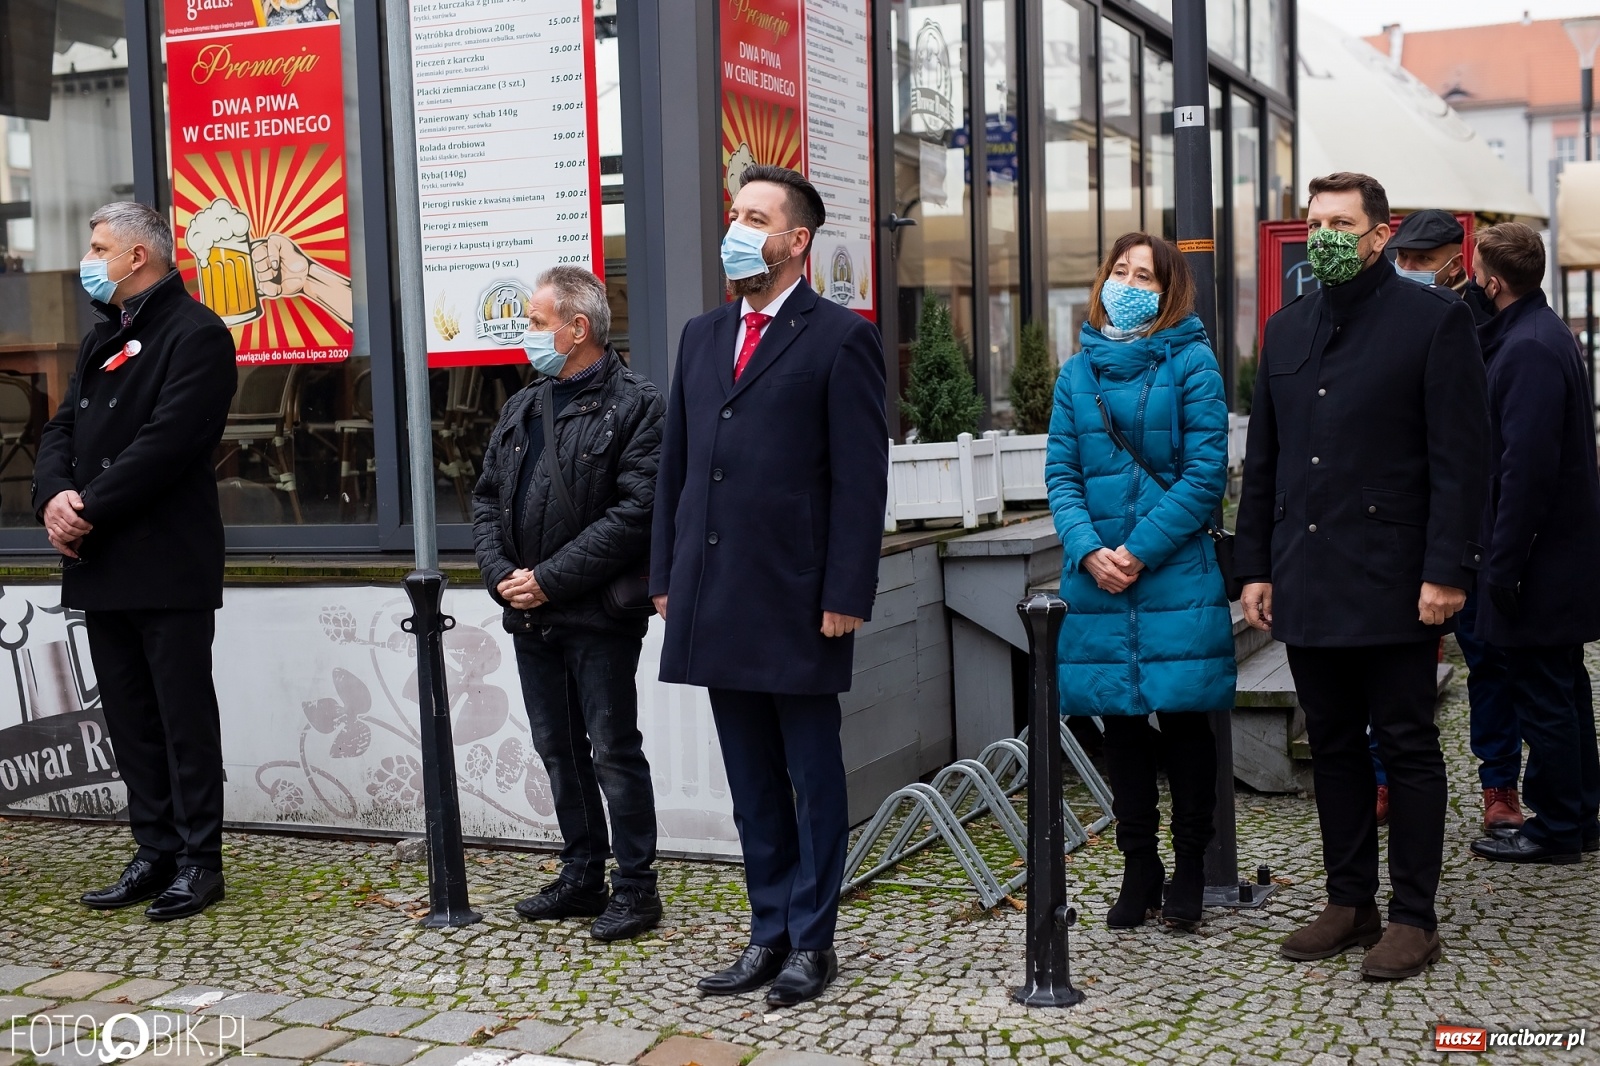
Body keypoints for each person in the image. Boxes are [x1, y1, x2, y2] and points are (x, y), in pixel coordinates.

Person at [1235, 173, 1488, 981]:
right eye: (1315, 222)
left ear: (1382, 234)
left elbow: (1462, 462)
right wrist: (1254, 570)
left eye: (1341, 222)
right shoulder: (1285, 328)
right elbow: (1264, 464)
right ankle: (1351, 902)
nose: (1325, 235)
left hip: (1396, 579)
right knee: (1335, 745)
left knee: (1407, 747)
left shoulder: (1432, 323)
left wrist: (1448, 570)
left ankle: (1414, 916)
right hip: (1305, 574)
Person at [650, 164, 889, 1007]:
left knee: (811, 778)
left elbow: (861, 482)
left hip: (798, 597)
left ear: (796, 241)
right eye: (734, 212)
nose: (737, 227)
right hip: (715, 594)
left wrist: (846, 591)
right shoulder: (701, 335)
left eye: (756, 216)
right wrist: (665, 575)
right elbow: (676, 465)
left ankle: (812, 941)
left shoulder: (839, 337)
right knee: (751, 783)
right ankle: (767, 930)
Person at [34, 202, 237, 920]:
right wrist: (54, 494)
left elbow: (169, 442)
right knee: (128, 716)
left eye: (97, 247)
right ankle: (153, 849)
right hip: (102, 562)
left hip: (166, 560)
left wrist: (85, 507)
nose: (88, 259)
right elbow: (60, 428)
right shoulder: (100, 340)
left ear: (137, 257)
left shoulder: (198, 335)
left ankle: (199, 860)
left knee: (182, 716)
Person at [1045, 233, 1235, 931]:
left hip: (1172, 570)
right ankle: (1138, 867)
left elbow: (1205, 475)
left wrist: (1138, 550)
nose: (1128, 282)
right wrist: (1091, 549)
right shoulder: (1077, 374)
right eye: (1119, 270)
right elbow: (1061, 475)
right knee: (1119, 728)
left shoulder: (1193, 364)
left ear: (1169, 288)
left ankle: (1189, 868)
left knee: (1185, 724)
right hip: (1099, 576)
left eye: (1144, 274)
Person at [471, 266, 666, 939]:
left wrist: (549, 576)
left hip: (597, 615)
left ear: (576, 328)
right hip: (531, 613)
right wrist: (504, 575)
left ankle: (636, 889)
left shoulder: (639, 404)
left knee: (613, 748)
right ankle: (582, 875)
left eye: (534, 320)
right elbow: (486, 499)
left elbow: (636, 512)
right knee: (558, 749)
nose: (526, 334)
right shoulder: (523, 405)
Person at [1463, 223, 1600, 865]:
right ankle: (1580, 811)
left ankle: (1557, 826)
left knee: (1545, 692)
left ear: (1493, 280)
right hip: (1554, 555)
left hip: (1539, 560)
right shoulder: (1539, 335)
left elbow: (1526, 469)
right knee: (1563, 687)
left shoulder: (1528, 348)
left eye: (1474, 269)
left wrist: (1503, 563)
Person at [1391, 209, 1523, 834]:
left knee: (1487, 658)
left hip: (1466, 520)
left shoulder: (1489, 321)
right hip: (1397, 521)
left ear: (1456, 257)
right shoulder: (1384, 311)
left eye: (1425, 260)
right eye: (1406, 259)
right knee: (1392, 664)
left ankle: (1500, 784)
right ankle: (1386, 778)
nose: (1414, 270)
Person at [1391, 209, 1498, 325]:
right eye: (1403, 255)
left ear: (1454, 265)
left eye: (1423, 258)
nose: (1406, 268)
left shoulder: (1479, 327)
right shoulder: (1380, 302)